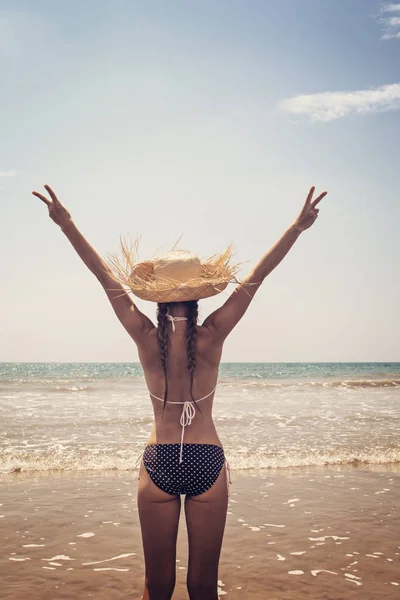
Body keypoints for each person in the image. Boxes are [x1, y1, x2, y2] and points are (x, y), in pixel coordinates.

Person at [32, 184, 327, 600]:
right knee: (203, 587)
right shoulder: (214, 334)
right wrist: (296, 228)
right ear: (199, 298)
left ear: (158, 299)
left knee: (157, 588)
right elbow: (256, 278)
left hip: (159, 461)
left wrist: (67, 225)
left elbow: (104, 277)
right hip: (208, 459)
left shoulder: (144, 336)